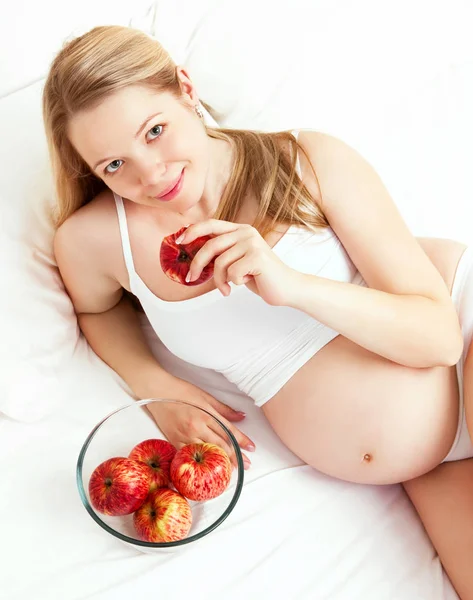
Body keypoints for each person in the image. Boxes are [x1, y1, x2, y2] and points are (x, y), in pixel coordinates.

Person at [43, 25, 473, 598]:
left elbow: (438, 337)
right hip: (427, 464)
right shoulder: (94, 242)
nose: (150, 174)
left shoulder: (308, 159)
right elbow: (99, 316)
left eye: (155, 131)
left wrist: (290, 284)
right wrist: (155, 385)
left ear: (185, 88)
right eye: (113, 166)